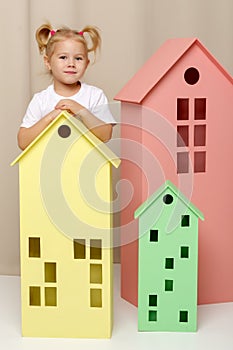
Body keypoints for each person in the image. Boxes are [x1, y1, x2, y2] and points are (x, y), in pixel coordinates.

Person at [17, 23, 115, 150]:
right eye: (63, 57)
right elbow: (23, 142)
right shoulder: (41, 100)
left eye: (78, 58)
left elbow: (105, 135)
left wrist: (81, 111)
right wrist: (51, 117)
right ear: (48, 62)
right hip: (49, 166)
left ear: (86, 63)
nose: (71, 64)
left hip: (86, 166)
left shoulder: (95, 95)